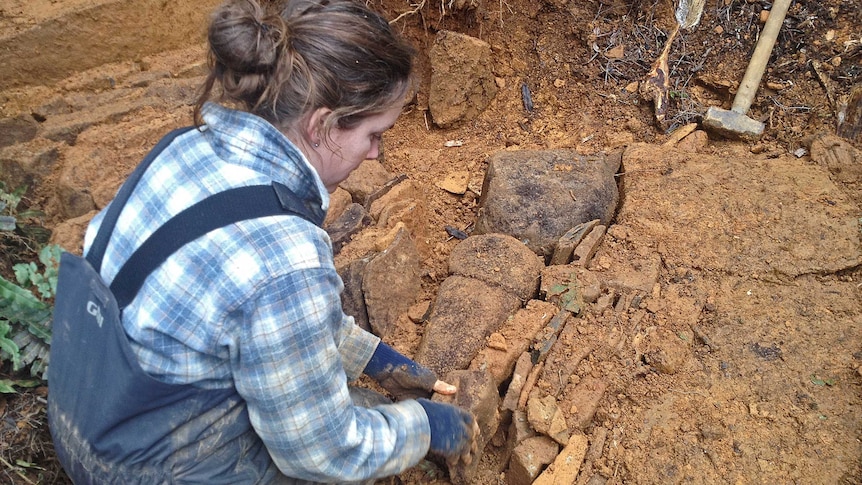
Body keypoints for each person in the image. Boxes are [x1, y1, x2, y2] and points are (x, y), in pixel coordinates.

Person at [47, 0, 478, 483]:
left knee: (353, 400)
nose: (377, 152)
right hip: (141, 468)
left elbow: (256, 315)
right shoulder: (286, 256)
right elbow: (327, 453)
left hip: (86, 407)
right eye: (374, 134)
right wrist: (422, 426)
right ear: (322, 126)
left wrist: (372, 357)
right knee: (353, 441)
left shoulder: (183, 148)